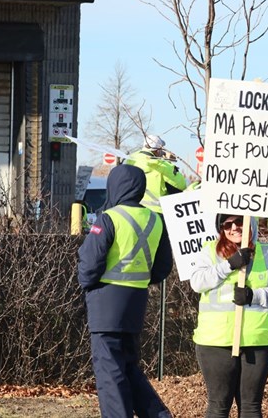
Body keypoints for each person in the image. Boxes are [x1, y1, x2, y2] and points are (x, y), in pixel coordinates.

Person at [77, 164, 173, 418]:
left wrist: (88, 284)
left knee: (110, 373)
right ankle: (158, 415)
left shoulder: (109, 217)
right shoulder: (156, 220)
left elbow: (89, 262)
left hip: (105, 303)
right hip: (136, 303)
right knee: (128, 367)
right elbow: (163, 268)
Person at [190, 213, 268, 418]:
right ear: (221, 228)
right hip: (215, 342)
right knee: (218, 407)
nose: (234, 228)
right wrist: (229, 264)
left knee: (250, 407)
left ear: (251, 223)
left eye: (239, 221)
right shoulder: (209, 251)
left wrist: (254, 296)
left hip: (257, 341)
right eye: (227, 224)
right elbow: (198, 282)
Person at [127, 134, 187, 213]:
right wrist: (168, 162)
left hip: (133, 211)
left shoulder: (130, 161)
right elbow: (181, 186)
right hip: (157, 214)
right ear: (158, 150)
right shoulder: (162, 166)